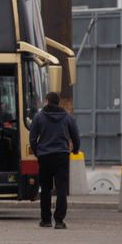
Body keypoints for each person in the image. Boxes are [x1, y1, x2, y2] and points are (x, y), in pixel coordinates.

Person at [28, 91, 81, 230]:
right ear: (58, 102)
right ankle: (59, 221)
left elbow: (32, 137)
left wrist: (38, 151)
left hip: (45, 157)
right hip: (62, 157)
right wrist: (75, 150)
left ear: (46, 101)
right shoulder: (67, 118)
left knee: (45, 189)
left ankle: (45, 220)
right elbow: (75, 136)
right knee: (61, 189)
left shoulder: (39, 117)